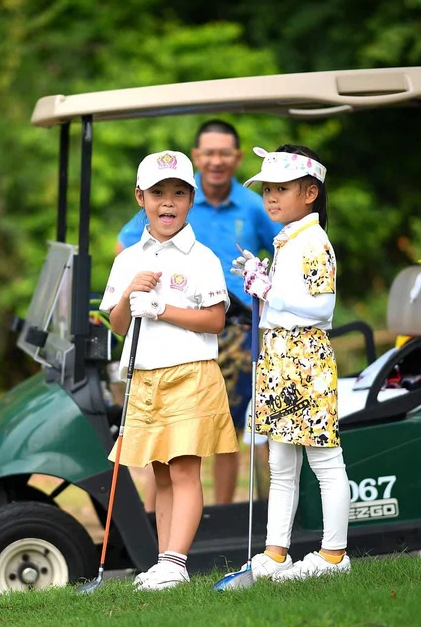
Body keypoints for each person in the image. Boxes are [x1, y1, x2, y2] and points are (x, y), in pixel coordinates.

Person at [116, 119, 281, 507]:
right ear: (197, 157)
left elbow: (281, 250)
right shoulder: (170, 195)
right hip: (172, 323)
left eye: (224, 153)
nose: (216, 161)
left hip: (236, 327)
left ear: (236, 158)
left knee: (228, 427)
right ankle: (157, 517)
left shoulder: (252, 205)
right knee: (167, 438)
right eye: (209, 153)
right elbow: (125, 246)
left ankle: (221, 515)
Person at [100, 150, 239, 591]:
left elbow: (215, 320)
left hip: (189, 374)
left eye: (178, 193)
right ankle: (164, 563)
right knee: (160, 472)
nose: (168, 202)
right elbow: (118, 325)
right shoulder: (127, 260)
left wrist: (162, 308)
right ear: (140, 197)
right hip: (145, 377)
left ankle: (176, 563)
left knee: (183, 472)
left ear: (191, 200)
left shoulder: (202, 258)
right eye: (158, 192)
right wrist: (130, 295)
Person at [233, 144, 351, 581]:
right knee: (280, 462)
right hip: (279, 356)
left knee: (324, 461)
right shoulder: (289, 239)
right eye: (267, 189)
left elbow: (321, 307)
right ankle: (275, 554)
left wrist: (269, 290)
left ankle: (334, 556)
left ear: (310, 193)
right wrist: (263, 281)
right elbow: (285, 303)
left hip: (305, 359)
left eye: (281, 189)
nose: (271, 197)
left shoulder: (314, 241)